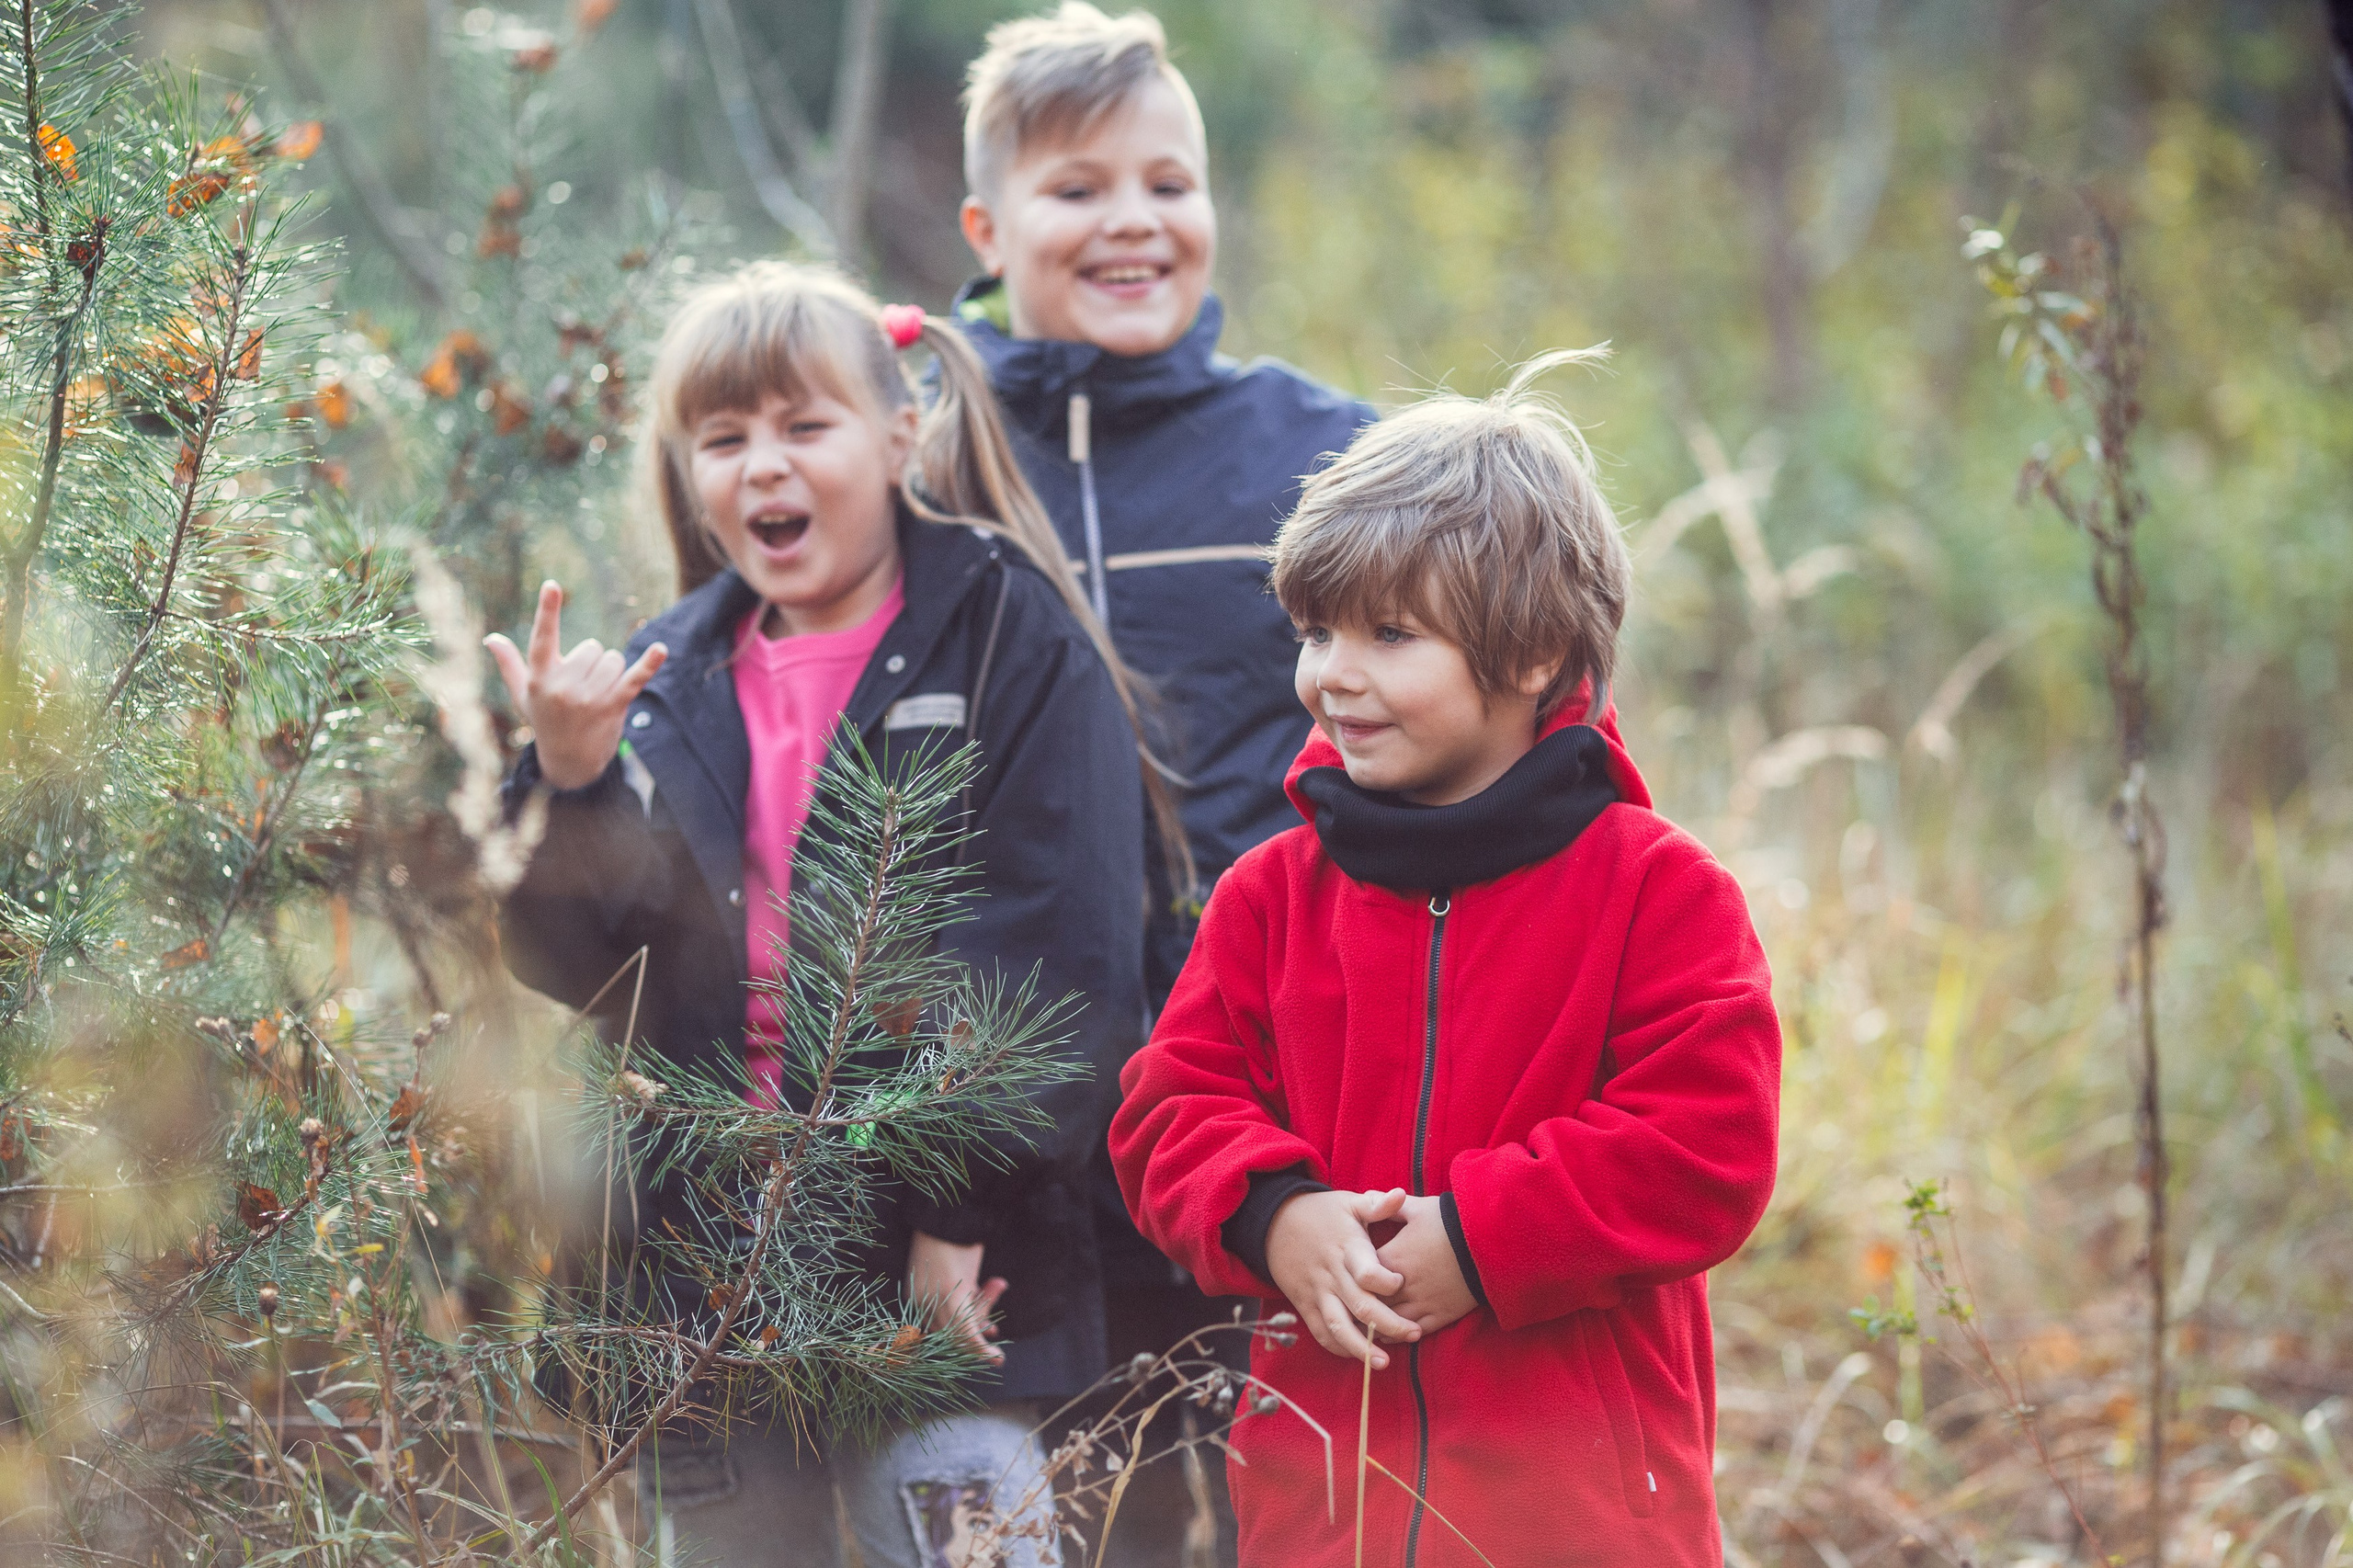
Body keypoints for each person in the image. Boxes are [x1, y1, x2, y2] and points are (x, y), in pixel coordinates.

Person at [490, 261, 1156, 1568]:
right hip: (708, 1276)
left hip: (950, 1267)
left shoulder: (1006, 637)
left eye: (806, 427)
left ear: (901, 432)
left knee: (971, 1538)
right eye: (725, 439)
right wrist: (566, 778)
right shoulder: (668, 676)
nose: (763, 467)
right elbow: (575, 964)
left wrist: (951, 1209)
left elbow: (1060, 962)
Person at [1108, 355, 1783, 1568]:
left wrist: (1480, 1239)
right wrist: (1274, 1212)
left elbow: (1706, 1143)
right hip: (1325, 1517)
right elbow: (1168, 1105)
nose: (1331, 672)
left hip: (1574, 1522)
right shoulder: (1270, 897)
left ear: (1530, 657)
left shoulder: (1657, 892)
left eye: (1389, 632)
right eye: (1315, 628)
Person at [951, 9, 1375, 1555]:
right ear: (988, 231)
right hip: (1018, 1113)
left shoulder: (1325, 457)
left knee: (1285, 1487)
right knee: (1078, 1500)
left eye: (1170, 182)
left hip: (1274, 1093)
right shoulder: (927, 457)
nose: (1134, 220)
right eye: (1078, 190)